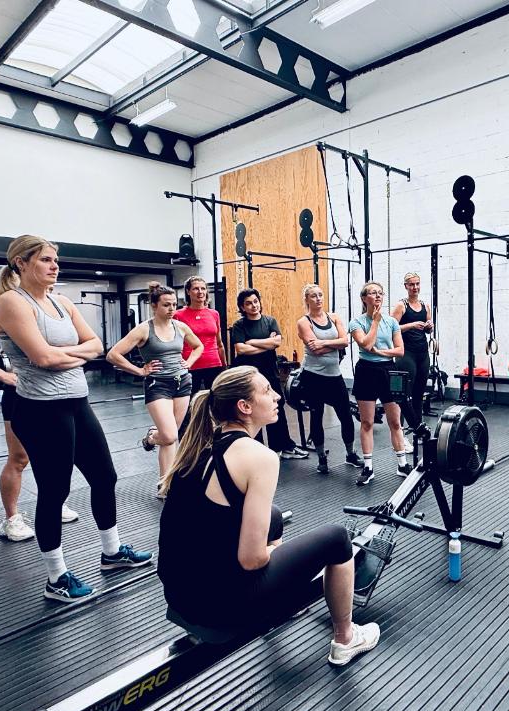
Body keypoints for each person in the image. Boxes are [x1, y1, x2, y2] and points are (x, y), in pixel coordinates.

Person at [157, 366, 380, 665]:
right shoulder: (259, 457)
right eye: (266, 391)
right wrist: (273, 553)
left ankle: (282, 601)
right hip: (220, 610)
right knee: (338, 539)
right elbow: (251, 560)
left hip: (179, 597)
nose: (277, 396)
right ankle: (345, 639)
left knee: (273, 517)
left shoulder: (201, 445)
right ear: (245, 407)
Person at [0, 235, 152, 603]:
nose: (54, 266)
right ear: (21, 263)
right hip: (40, 409)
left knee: (105, 477)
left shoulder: (62, 302)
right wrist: (69, 354)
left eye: (55, 260)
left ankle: (111, 553)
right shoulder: (12, 302)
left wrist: (60, 354)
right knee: (55, 492)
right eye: (45, 260)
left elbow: (97, 346)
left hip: (78, 403)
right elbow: (42, 358)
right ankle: (56, 579)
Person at [0, 319, 78, 542]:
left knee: (55, 456)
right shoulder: (7, 317)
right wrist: (2, 375)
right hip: (20, 394)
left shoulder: (49, 317)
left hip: (55, 393)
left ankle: (53, 503)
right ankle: (11, 520)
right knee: (19, 458)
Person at [107, 282, 203, 497]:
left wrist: (189, 362)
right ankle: (151, 438)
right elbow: (113, 355)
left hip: (182, 382)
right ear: (154, 305)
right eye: (166, 305)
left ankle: (165, 485)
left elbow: (199, 346)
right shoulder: (144, 329)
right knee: (168, 435)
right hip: (157, 384)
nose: (171, 309)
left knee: (172, 438)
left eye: (174, 305)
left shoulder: (180, 327)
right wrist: (140, 370)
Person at [229, 288, 308, 460]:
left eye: (255, 301)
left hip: (270, 372)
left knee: (276, 407)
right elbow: (241, 349)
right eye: (248, 303)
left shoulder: (269, 321)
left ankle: (282, 447)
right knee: (251, 409)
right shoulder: (239, 325)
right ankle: (256, 449)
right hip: (249, 375)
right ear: (242, 307)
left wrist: (252, 342)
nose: (253, 305)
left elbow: (277, 342)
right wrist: (267, 343)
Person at [347, 282, 411, 486]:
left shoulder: (391, 322)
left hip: (388, 370)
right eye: (373, 293)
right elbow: (366, 344)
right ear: (364, 298)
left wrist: (381, 352)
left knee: (395, 422)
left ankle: (402, 465)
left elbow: (400, 350)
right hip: (366, 371)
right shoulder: (356, 323)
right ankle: (368, 468)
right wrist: (374, 321)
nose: (378, 296)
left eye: (380, 293)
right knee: (367, 422)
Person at [295, 283, 363, 474]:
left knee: (346, 416)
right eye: (313, 296)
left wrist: (323, 343)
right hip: (313, 376)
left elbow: (345, 342)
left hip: (334, 376)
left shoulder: (334, 317)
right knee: (316, 417)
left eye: (320, 295)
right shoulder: (304, 322)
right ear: (307, 300)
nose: (318, 299)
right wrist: (335, 344)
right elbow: (315, 350)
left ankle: (350, 454)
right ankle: (322, 459)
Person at [390, 273, 433, 431]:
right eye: (411, 284)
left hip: (422, 353)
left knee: (419, 393)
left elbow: (428, 329)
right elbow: (390, 328)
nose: (415, 287)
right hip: (406, 353)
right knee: (403, 394)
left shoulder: (425, 305)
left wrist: (429, 327)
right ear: (406, 286)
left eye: (417, 284)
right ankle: (399, 430)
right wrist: (411, 325)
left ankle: (418, 429)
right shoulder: (401, 306)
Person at [174, 275, 226, 394]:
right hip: (190, 365)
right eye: (195, 289)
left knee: (214, 400)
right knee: (190, 400)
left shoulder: (214, 314)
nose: (200, 292)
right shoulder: (178, 315)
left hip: (213, 364)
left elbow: (219, 343)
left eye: (203, 288)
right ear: (188, 291)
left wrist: (224, 365)